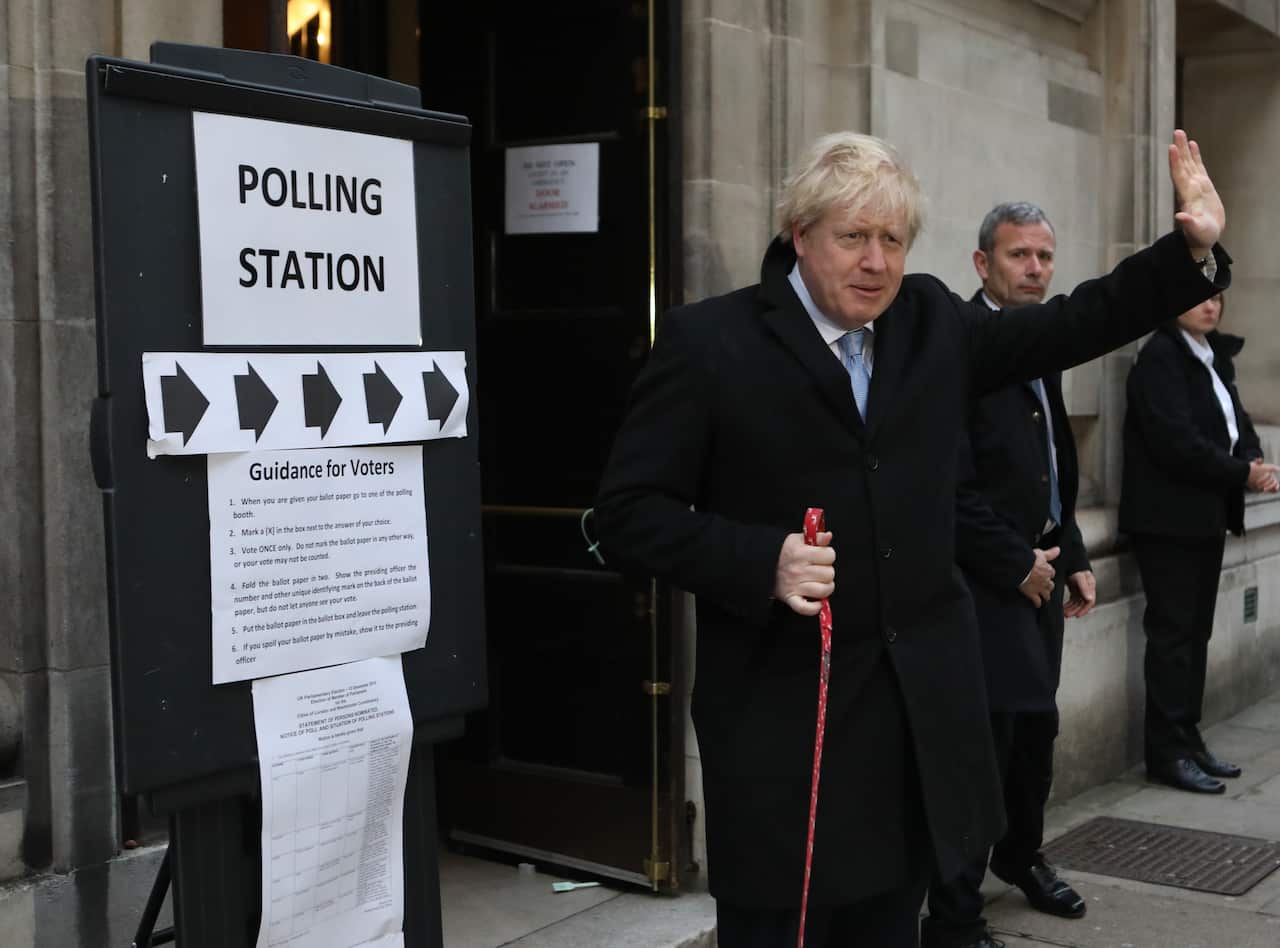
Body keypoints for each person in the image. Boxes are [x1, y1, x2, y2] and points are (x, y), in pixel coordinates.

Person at [594, 129, 1227, 947]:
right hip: (788, 732)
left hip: (915, 729)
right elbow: (624, 517)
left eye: (892, 239)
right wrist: (760, 559)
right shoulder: (710, 343)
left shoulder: (930, 320)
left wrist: (1188, 251)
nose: (875, 262)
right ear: (800, 237)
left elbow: (1072, 324)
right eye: (852, 237)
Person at [921, 203, 1093, 948]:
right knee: (979, 751)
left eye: (1046, 257)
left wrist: (1074, 554)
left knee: (1036, 736)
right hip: (981, 587)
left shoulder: (1037, 345)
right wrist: (1017, 561)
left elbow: (1051, 468)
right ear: (981, 263)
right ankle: (955, 914)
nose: (1035, 270)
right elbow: (943, 489)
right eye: (1019, 255)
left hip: (1041, 577)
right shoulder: (957, 349)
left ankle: (1021, 857)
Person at [1120, 291, 1279, 795]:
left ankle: (1188, 739)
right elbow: (1176, 442)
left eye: (1217, 298)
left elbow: (1238, 423)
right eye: (1197, 298)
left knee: (1194, 636)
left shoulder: (1212, 357)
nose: (1210, 306)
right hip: (1167, 521)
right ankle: (1166, 754)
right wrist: (1243, 473)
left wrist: (1254, 460)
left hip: (1205, 518)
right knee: (1171, 640)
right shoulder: (1159, 359)